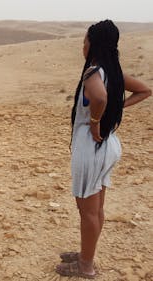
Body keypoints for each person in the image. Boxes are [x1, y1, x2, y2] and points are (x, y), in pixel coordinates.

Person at [56, 19, 151, 279]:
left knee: (87, 211)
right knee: (96, 209)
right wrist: (114, 111)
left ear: (93, 44)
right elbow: (144, 90)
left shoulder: (93, 72)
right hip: (109, 146)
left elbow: (99, 97)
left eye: (84, 41)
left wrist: (96, 122)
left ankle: (85, 266)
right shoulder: (113, 72)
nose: (82, 46)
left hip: (91, 147)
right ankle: (86, 255)